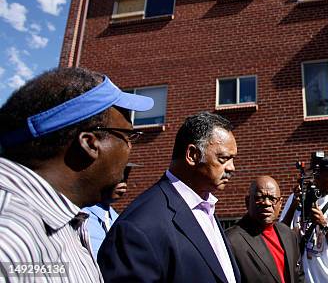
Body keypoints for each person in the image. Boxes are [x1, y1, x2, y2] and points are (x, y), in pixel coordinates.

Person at [0, 67, 153, 282]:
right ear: (90, 144)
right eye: (128, 136)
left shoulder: (64, 220)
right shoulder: (10, 236)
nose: (130, 148)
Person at [98, 111, 240, 283]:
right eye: (224, 158)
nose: (231, 168)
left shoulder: (205, 206)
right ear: (192, 155)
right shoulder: (138, 227)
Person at [280, 155, 328, 283]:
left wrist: (323, 224)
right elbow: (281, 233)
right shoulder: (296, 197)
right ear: (318, 176)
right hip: (302, 278)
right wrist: (293, 205)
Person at [226, 176, 303, 283]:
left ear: (280, 203)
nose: (267, 203)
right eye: (259, 198)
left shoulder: (288, 234)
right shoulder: (231, 241)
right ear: (248, 202)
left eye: (272, 199)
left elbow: (299, 276)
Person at [82, 163, 139, 258]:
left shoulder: (118, 220)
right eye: (118, 174)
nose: (123, 182)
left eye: (126, 175)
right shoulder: (77, 218)